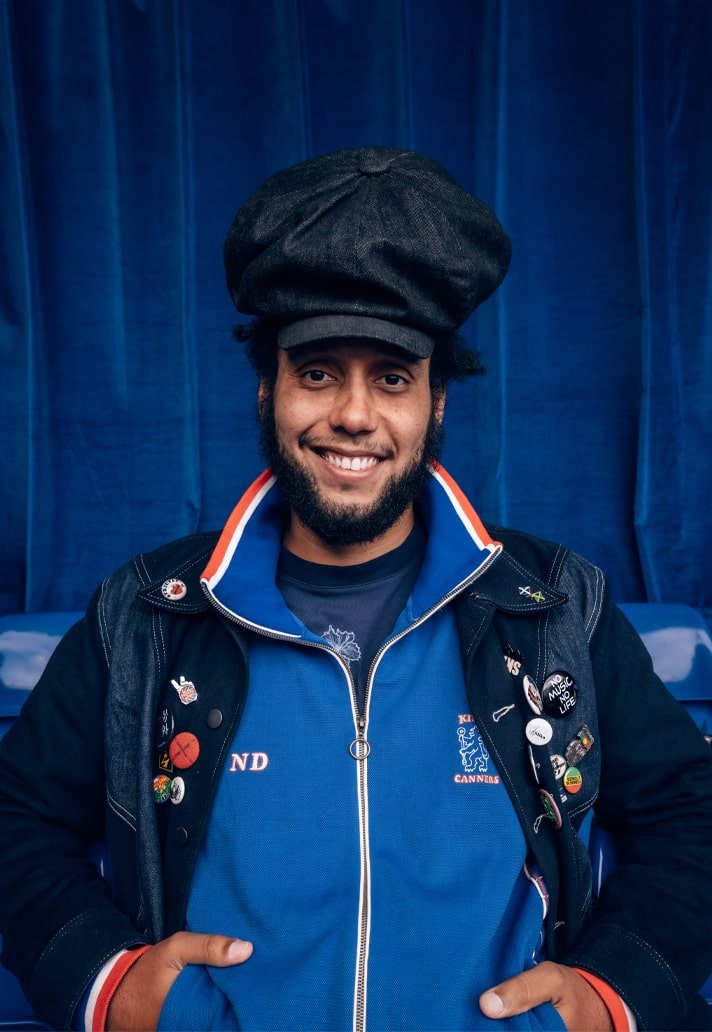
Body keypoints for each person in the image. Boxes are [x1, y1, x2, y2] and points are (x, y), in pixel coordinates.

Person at [1, 146, 711, 1032]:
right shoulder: (147, 612)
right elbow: (16, 818)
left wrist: (611, 993)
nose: (353, 415)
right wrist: (109, 980)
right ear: (267, 387)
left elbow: (694, 815)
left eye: (393, 378)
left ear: (437, 402)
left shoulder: (554, 605)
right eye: (317, 372)